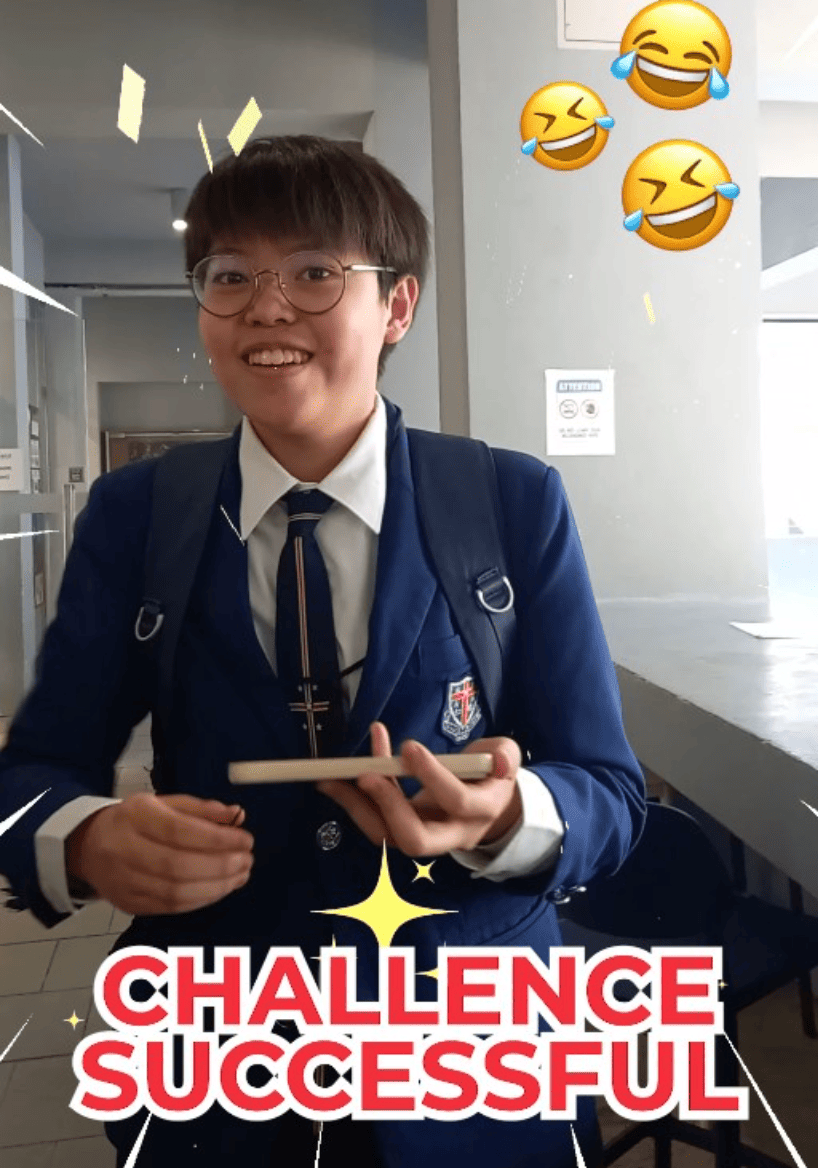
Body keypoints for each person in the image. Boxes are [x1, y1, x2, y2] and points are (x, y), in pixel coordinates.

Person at [0, 136, 646, 1167]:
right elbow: (33, 770)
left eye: (312, 272)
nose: (265, 307)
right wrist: (81, 839)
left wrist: (506, 816)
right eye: (229, 276)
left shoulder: (507, 501)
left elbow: (608, 790)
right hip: (221, 1056)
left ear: (396, 306)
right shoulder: (138, 514)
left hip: (471, 1057)